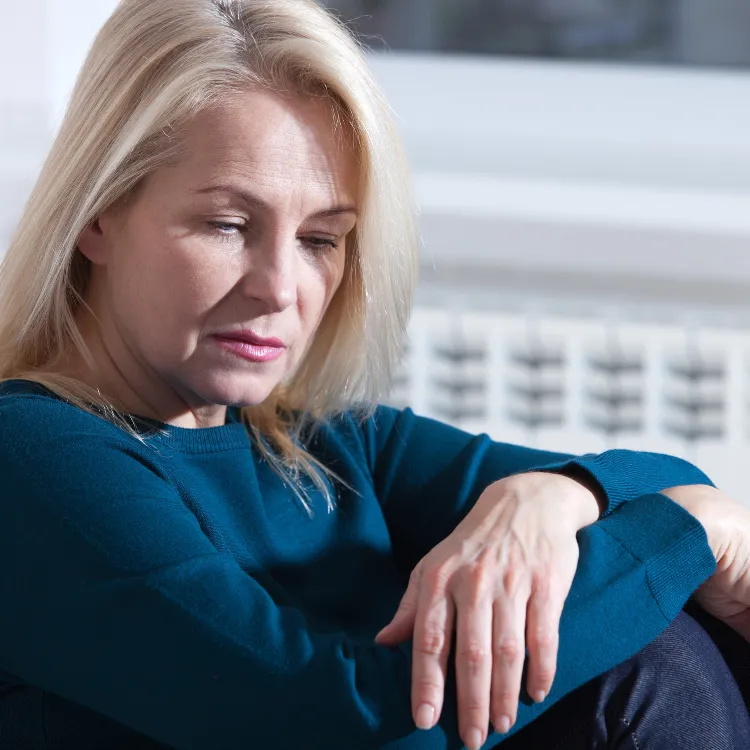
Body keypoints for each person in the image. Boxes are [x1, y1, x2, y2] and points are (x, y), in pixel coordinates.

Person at [0, 1, 748, 748]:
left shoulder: (331, 447)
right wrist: (697, 529)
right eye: (227, 225)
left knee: (658, 637)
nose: (280, 287)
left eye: (321, 238)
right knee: (646, 661)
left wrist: (556, 495)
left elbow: (665, 484)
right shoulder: (30, 457)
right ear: (97, 212)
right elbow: (341, 724)